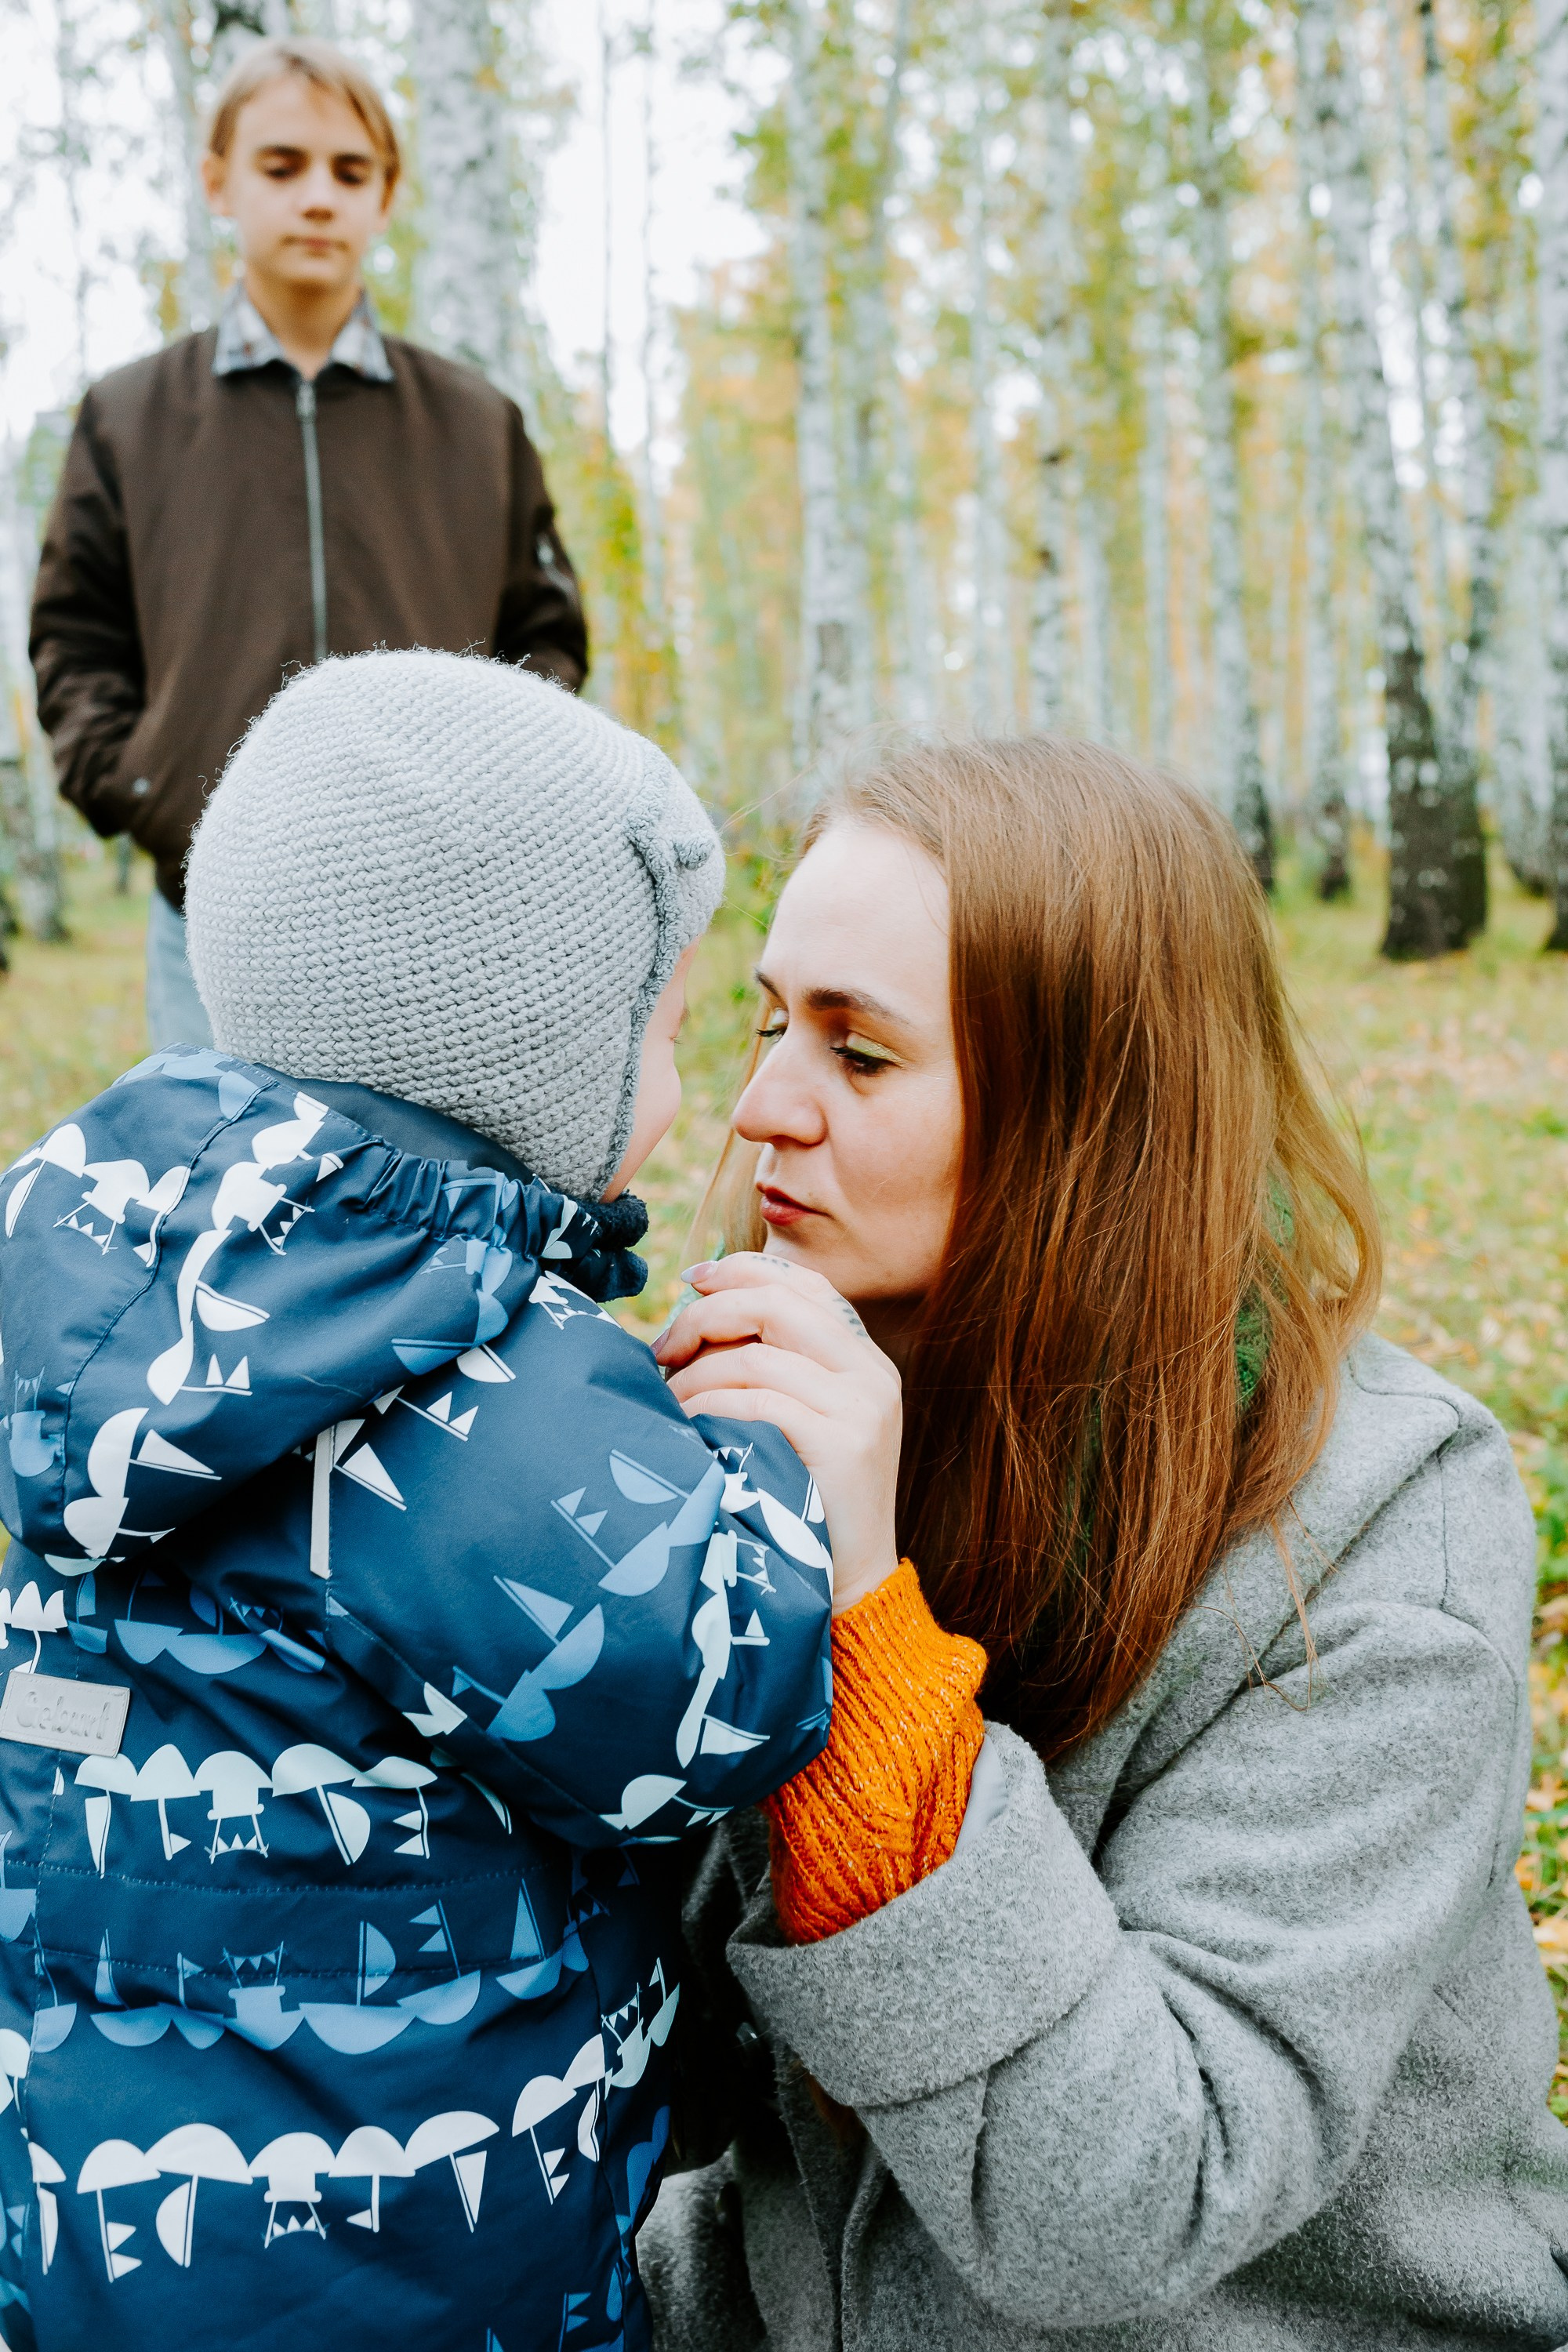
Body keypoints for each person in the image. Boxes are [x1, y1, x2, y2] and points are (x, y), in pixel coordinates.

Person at [642, 735, 1568, 2350]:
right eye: (770, 1019)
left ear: (1090, 1111)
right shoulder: (809, 1389)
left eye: (860, 1058)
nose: (761, 1107)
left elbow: (1125, 2201)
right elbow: (682, 2050)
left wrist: (862, 1624)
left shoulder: (1372, 1535)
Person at [0, 652, 848, 2350]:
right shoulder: (477, 1393)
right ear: (528, 1053)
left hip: (92, 2227)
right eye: (671, 1033)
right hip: (402, 2268)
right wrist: (773, 1462)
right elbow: (711, 1704)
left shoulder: (109, 1293)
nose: (695, 1095)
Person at [28, 38, 586, 1054]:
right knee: (232, 1199)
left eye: (349, 171)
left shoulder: (475, 423)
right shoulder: (128, 419)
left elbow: (545, 643)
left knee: (419, 1202)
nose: (318, 197)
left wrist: (476, 808)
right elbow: (74, 641)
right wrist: (151, 792)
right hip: (209, 916)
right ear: (218, 183)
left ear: (386, 196)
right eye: (282, 167)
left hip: (435, 918)